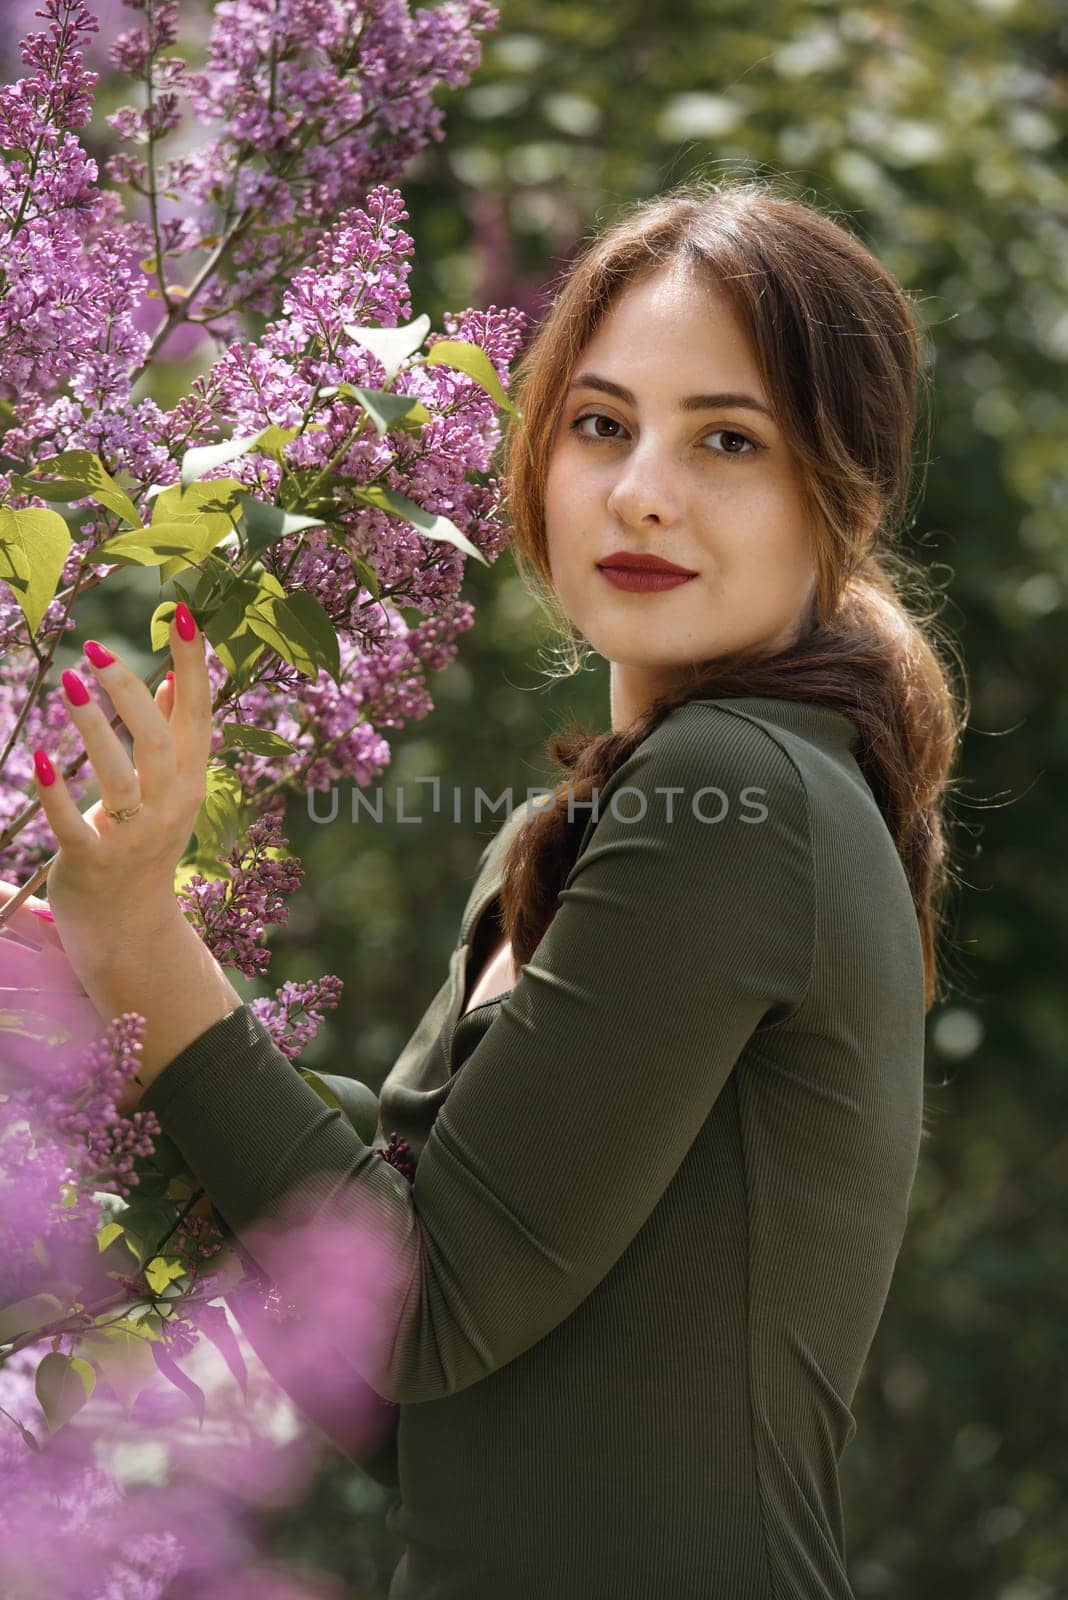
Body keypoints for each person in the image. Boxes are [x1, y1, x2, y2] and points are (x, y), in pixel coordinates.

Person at [24, 177, 966, 1599]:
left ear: (842, 494)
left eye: (727, 438)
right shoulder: (563, 834)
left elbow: (423, 1313)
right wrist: (97, 1021)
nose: (642, 486)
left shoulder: (744, 790)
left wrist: (146, 941)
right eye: (601, 424)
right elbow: (425, 1407)